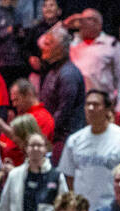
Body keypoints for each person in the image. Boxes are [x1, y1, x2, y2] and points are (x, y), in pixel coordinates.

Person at [58, 89, 120, 211]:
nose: (91, 108)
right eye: (88, 104)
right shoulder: (74, 141)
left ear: (107, 109)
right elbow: (69, 176)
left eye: (96, 105)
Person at [36, 25, 86, 154]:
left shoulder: (68, 74)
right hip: (54, 138)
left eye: (49, 43)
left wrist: (44, 134)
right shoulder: (53, 70)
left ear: (60, 48)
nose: (43, 46)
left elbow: (63, 112)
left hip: (65, 141)